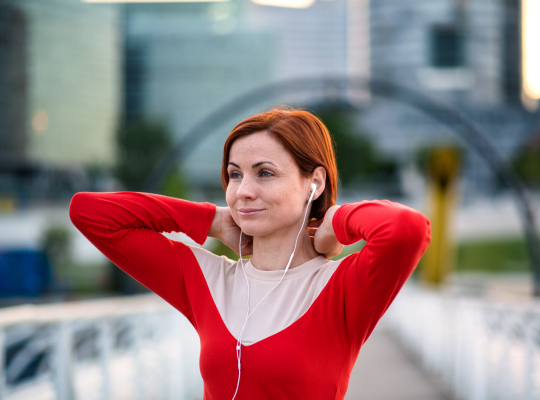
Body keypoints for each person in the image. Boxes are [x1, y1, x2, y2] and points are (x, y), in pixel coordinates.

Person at [69, 106, 431, 400]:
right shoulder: (205, 279)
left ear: (314, 182)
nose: (243, 190)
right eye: (235, 174)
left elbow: (406, 230)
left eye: (265, 173)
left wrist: (335, 222)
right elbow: (90, 214)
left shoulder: (342, 287)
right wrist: (210, 219)